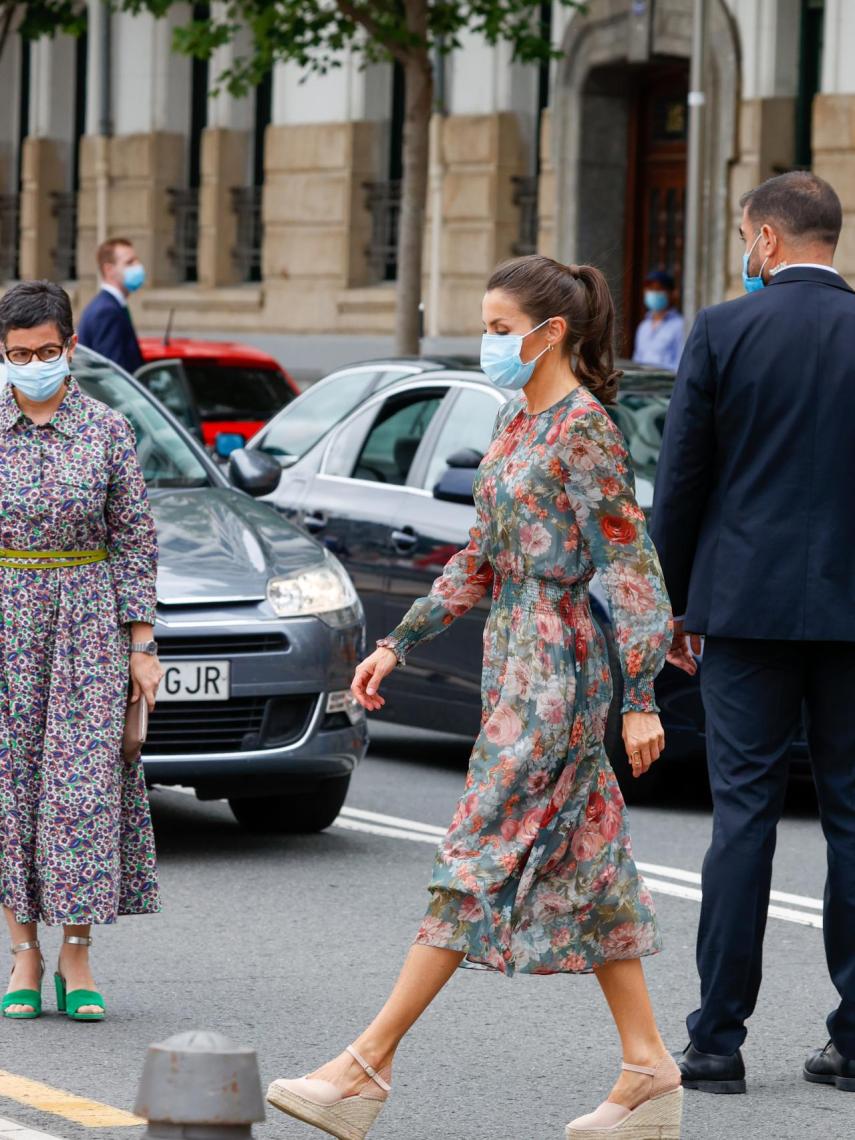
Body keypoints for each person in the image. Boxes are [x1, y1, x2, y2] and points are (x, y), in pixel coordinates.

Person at [267, 254, 682, 1139]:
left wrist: (639, 692)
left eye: (498, 329)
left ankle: (365, 1065)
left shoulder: (583, 430)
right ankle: (648, 1070)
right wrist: (395, 643)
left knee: (474, 853)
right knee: (589, 864)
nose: (486, 343)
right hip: (513, 659)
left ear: (549, 333)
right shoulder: (515, 427)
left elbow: (632, 564)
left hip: (558, 670)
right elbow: (478, 560)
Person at [650, 171, 855, 1095]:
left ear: (764, 242)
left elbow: (682, 480)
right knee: (853, 823)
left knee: (743, 820)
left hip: (741, 609)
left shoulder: (723, 330)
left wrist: (672, 604)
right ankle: (853, 1041)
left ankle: (717, 1042)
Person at [0, 281, 162, 1022]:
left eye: (43, 351)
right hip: (7, 621)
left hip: (86, 626)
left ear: (71, 348)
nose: (30, 363)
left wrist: (142, 646)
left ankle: (76, 951)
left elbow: (133, 542)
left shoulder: (107, 431)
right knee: (11, 790)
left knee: (79, 793)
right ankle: (22, 954)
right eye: (15, 354)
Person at [77, 237, 146, 374]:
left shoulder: (110, 306)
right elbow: (112, 373)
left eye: (137, 260)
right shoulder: (106, 311)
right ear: (109, 270)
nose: (138, 266)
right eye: (129, 262)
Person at [632, 270, 684, 372]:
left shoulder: (680, 326)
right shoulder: (643, 326)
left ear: (672, 293)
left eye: (659, 289)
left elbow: (681, 365)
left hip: (666, 385)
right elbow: (637, 361)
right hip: (640, 385)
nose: (653, 293)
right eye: (650, 289)